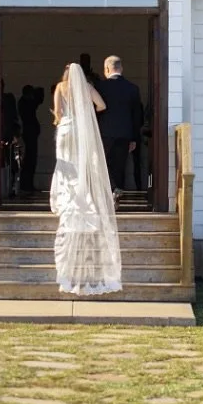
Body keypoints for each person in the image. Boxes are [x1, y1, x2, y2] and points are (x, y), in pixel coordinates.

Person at [49, 62, 122, 295]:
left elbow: (58, 113)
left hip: (65, 129)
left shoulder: (60, 86)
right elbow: (102, 105)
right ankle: (83, 199)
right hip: (81, 130)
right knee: (80, 168)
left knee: (64, 166)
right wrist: (87, 112)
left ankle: (64, 199)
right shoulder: (88, 87)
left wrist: (60, 117)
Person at [96, 55, 142, 201]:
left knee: (102, 164)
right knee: (120, 165)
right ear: (121, 68)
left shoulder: (100, 87)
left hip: (104, 133)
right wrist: (134, 138)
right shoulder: (132, 88)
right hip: (125, 134)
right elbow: (137, 116)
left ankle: (107, 195)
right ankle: (118, 197)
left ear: (107, 69)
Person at [18, 84, 42, 193]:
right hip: (29, 133)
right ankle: (26, 185)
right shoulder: (25, 103)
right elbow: (37, 100)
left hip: (30, 133)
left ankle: (28, 184)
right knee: (29, 160)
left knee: (31, 159)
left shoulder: (25, 103)